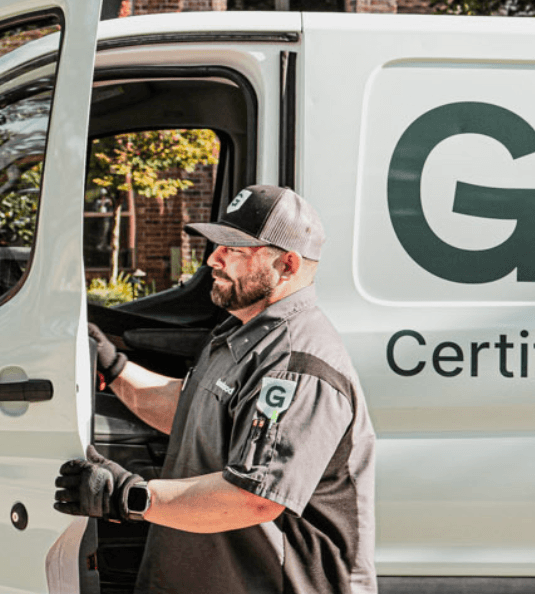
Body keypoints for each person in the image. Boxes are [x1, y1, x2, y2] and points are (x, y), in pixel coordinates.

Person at [54, 185, 377, 594]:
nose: (212, 259)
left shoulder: (296, 364)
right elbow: (193, 413)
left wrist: (129, 497)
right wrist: (115, 367)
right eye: (217, 245)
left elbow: (254, 497)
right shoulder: (240, 333)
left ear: (288, 265)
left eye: (234, 250)